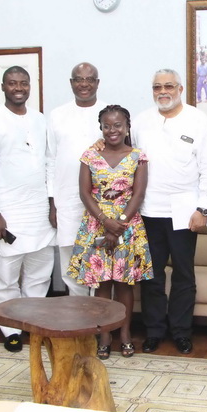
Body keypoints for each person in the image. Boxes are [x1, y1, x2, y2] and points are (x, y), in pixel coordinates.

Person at [132, 69, 207, 355]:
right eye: (157, 87)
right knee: (152, 275)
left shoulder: (197, 119)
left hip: (184, 211)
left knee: (183, 274)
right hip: (148, 211)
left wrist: (202, 208)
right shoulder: (141, 122)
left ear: (180, 89)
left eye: (168, 86)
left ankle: (181, 331)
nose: (162, 91)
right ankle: (154, 331)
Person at [0, 66, 56, 352]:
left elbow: (49, 163)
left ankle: (32, 324)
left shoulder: (39, 119)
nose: (18, 87)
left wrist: (51, 201)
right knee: (6, 276)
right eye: (12, 83)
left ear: (30, 86)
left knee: (39, 273)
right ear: (3, 87)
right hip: (7, 213)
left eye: (23, 83)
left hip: (38, 211)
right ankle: (10, 328)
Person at [67, 105, 153, 360]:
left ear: (127, 127)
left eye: (117, 125)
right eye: (107, 125)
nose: (112, 130)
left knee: (125, 285)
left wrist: (120, 223)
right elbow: (85, 193)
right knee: (102, 284)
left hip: (127, 226)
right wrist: (105, 220)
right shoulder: (90, 156)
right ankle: (104, 335)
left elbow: (138, 194)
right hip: (97, 223)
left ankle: (124, 334)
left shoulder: (138, 156)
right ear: (101, 127)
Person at [47, 62, 107, 297]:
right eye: (79, 79)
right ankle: (77, 326)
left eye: (90, 79)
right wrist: (52, 203)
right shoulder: (57, 115)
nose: (84, 84)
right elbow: (50, 160)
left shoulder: (109, 113)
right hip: (67, 201)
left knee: (101, 263)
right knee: (72, 266)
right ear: (71, 83)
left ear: (97, 83)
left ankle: (100, 325)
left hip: (102, 202)